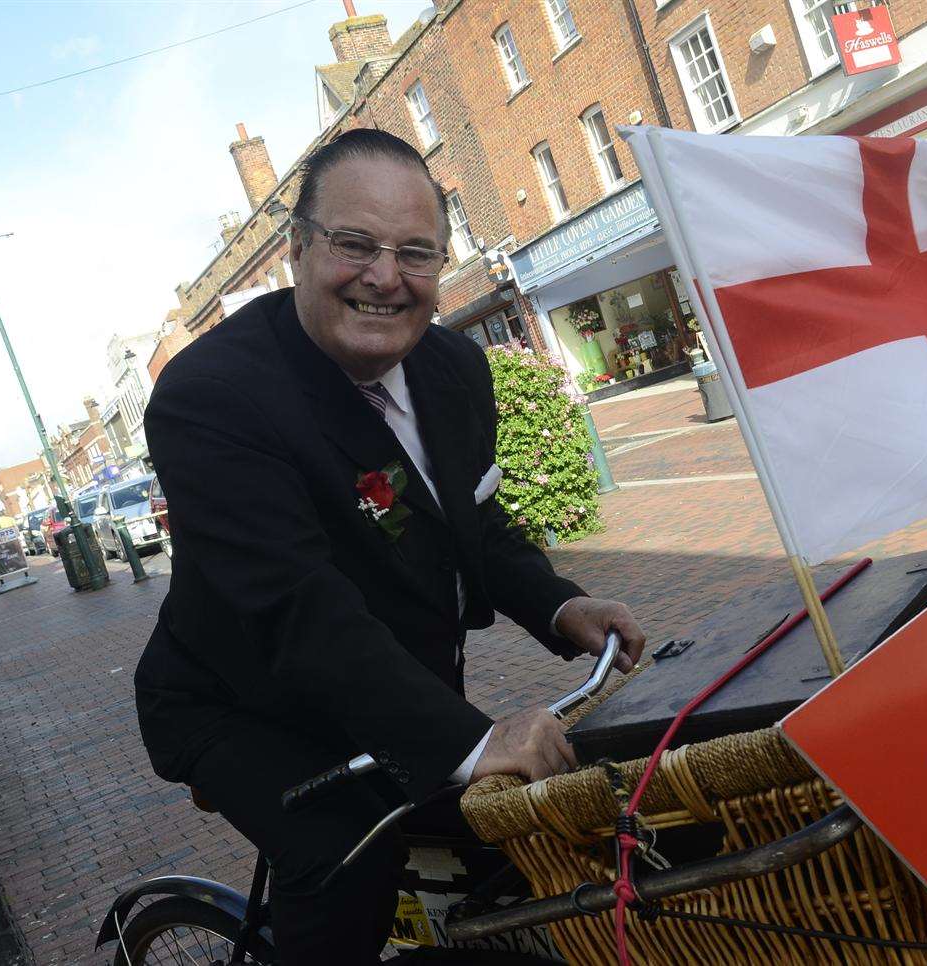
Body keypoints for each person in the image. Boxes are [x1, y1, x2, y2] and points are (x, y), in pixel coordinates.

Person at [135, 128, 646, 965]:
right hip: (243, 705)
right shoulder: (213, 398)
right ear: (297, 249)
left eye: (415, 252)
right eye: (353, 244)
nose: (384, 276)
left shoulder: (452, 368)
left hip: (387, 691)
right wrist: (475, 743)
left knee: (525, 833)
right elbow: (297, 609)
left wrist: (558, 603)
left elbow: (469, 520)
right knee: (347, 860)